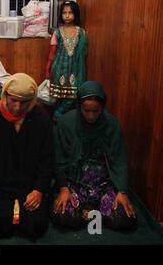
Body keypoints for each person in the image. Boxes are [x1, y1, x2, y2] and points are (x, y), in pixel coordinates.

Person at [0, 73, 54, 240]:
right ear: (5, 94)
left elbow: (48, 157)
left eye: (24, 102)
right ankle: (15, 219)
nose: (17, 107)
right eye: (13, 100)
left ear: (33, 100)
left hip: (28, 187)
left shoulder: (41, 119)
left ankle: (12, 218)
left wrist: (38, 190)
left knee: (38, 224)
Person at [52, 81, 137, 230]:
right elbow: (59, 159)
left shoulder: (111, 124)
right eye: (86, 111)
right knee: (63, 217)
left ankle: (87, 215)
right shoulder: (66, 123)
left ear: (102, 107)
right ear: (79, 106)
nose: (91, 116)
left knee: (126, 219)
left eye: (96, 111)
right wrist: (63, 188)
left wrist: (122, 191)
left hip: (104, 184)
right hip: (74, 182)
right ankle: (94, 215)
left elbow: (119, 159)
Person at [44, 1, 87, 121]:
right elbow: (52, 54)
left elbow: (82, 54)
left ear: (76, 14)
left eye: (70, 12)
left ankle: (58, 115)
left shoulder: (81, 32)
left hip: (74, 69)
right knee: (58, 96)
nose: (67, 15)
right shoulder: (57, 32)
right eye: (64, 13)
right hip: (58, 68)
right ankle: (57, 121)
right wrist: (47, 70)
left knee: (72, 95)